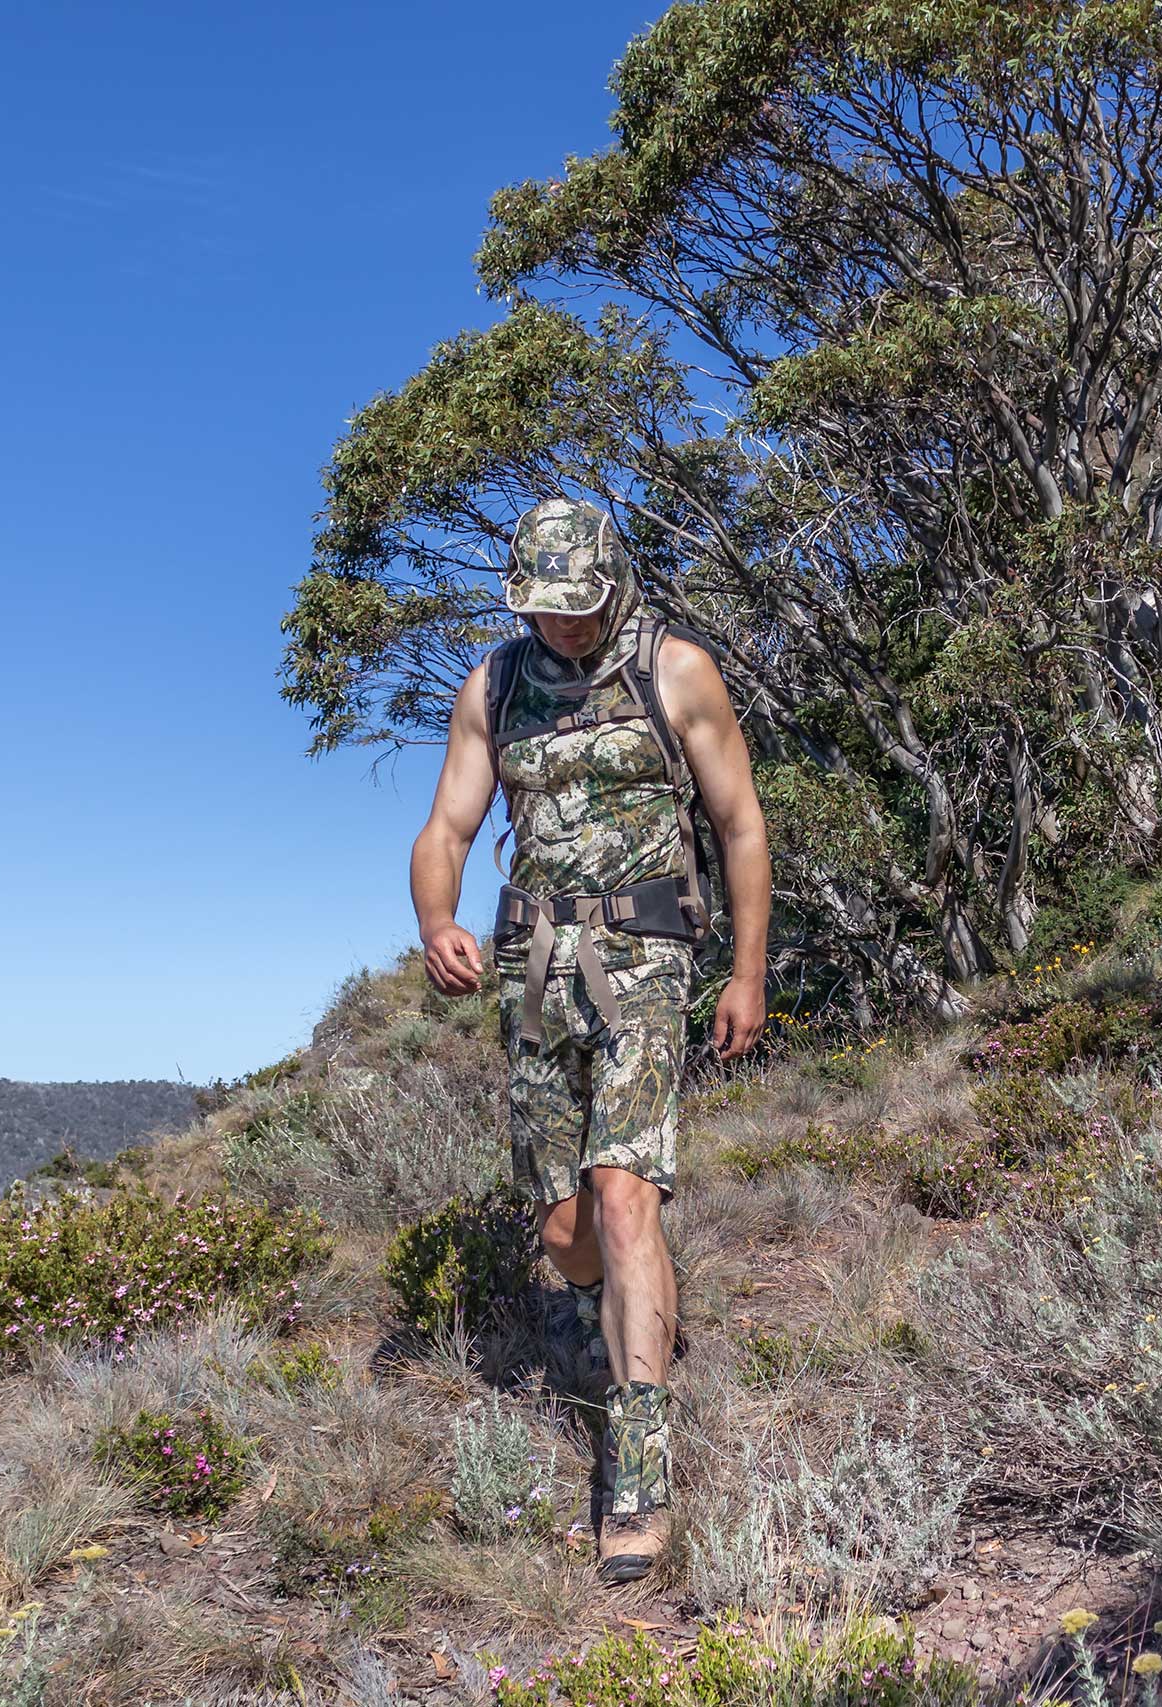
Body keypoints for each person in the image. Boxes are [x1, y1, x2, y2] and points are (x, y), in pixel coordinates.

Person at [409, 497, 771, 1583]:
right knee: (567, 1227)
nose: (564, 625)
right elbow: (448, 828)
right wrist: (437, 923)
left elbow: (739, 822)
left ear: (614, 581)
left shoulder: (676, 671)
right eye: (543, 609)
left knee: (622, 1195)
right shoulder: (496, 686)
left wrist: (746, 971)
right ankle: (606, 1300)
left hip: (646, 965)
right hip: (533, 975)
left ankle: (639, 1470)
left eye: (579, 607)